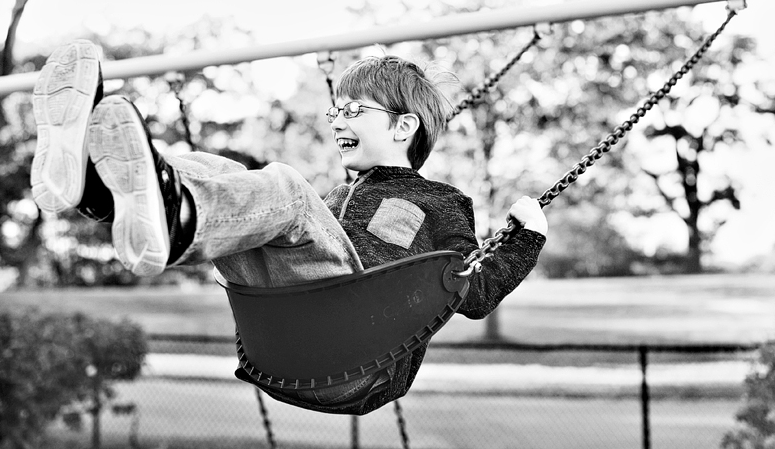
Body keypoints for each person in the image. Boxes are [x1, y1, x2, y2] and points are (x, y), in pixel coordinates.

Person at [31, 39, 548, 414]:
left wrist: (526, 239)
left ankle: (174, 218)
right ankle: (97, 191)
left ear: (402, 125)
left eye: (352, 110)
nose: (337, 121)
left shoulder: (441, 201)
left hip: (361, 360)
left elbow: (473, 292)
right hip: (293, 341)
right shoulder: (334, 197)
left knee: (284, 186)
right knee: (217, 169)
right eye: (335, 111)